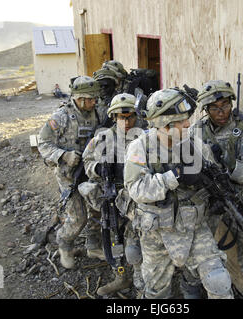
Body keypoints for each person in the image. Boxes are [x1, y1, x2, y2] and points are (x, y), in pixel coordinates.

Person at [124, 88, 234, 299]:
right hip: (156, 231)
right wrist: (173, 176)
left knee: (218, 281)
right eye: (181, 121)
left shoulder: (196, 145)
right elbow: (136, 189)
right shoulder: (140, 148)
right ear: (165, 125)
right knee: (157, 291)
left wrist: (217, 194)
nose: (187, 125)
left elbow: (213, 179)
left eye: (187, 120)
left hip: (193, 227)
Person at [189, 79, 243, 299]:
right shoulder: (197, 130)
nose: (222, 112)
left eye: (226, 105)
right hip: (207, 201)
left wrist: (232, 165)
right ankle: (193, 290)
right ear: (206, 109)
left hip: (237, 201)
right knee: (193, 248)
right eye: (215, 108)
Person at [80, 93, 145, 296]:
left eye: (130, 117)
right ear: (113, 117)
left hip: (138, 200)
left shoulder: (145, 137)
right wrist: (98, 168)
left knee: (137, 244)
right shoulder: (102, 138)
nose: (126, 122)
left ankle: (142, 283)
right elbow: (87, 161)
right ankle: (121, 278)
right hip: (112, 198)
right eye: (121, 117)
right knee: (115, 240)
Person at [37, 76, 103, 269]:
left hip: (91, 173)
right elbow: (43, 144)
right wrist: (63, 155)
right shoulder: (61, 117)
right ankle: (65, 245)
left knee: (98, 209)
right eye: (90, 99)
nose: (94, 102)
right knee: (78, 217)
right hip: (70, 176)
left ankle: (93, 245)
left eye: (94, 98)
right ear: (79, 98)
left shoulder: (98, 112)